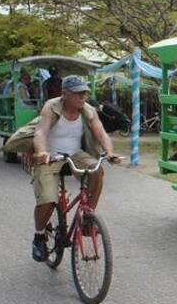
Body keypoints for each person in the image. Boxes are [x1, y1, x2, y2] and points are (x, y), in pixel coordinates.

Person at [30, 75, 119, 262]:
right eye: (78, 93)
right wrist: (42, 152)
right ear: (65, 94)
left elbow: (101, 132)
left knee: (97, 171)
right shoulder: (52, 107)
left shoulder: (87, 110)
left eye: (85, 93)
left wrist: (109, 152)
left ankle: (88, 217)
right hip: (51, 157)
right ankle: (39, 236)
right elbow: (40, 131)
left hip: (76, 154)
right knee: (47, 199)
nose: (82, 97)